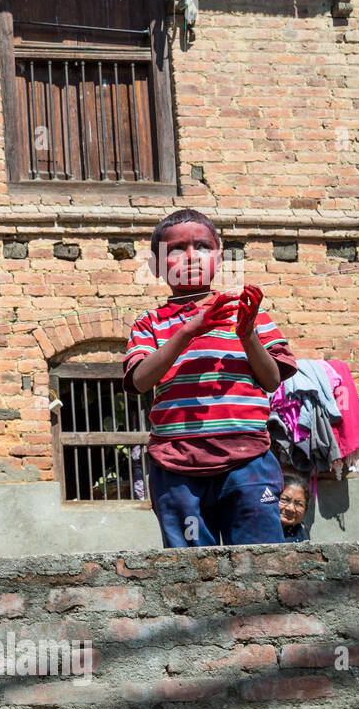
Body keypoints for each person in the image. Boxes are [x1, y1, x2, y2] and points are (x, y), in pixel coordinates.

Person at [124, 208, 298, 547]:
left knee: (261, 564)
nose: (191, 256)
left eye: (202, 246)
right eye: (176, 249)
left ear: (219, 257)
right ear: (155, 266)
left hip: (248, 462)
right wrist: (187, 331)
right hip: (175, 464)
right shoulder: (150, 323)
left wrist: (247, 335)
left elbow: (273, 379)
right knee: (190, 572)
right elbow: (141, 381)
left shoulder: (247, 313)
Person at [279, 473, 310, 543]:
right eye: (285, 500)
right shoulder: (256, 529)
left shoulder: (302, 540)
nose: (291, 508)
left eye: (299, 504)